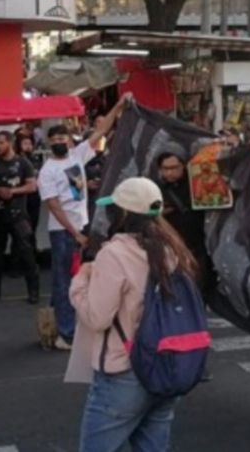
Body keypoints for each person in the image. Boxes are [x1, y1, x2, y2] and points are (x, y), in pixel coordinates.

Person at [69, 177, 197, 451]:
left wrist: (80, 283)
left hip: (125, 370)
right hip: (165, 364)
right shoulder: (172, 249)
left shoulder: (115, 254)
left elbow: (97, 317)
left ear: (124, 213)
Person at [38, 94, 129, 351]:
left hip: (82, 225)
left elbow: (101, 130)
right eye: (54, 140)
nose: (59, 142)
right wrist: (74, 232)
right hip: (64, 232)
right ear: (48, 143)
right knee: (64, 281)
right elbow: (53, 206)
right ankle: (65, 333)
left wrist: (119, 105)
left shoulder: (77, 155)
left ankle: (68, 324)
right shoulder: (47, 171)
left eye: (62, 138)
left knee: (81, 277)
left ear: (69, 140)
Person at [0, 131, 39, 304]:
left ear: (10, 143)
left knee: (27, 253)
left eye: (1, 142)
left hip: (18, 215)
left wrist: (12, 192)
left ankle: (34, 292)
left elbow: (32, 186)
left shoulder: (23, 163)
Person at [155, 152, 208, 281]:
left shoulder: (197, 183)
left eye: (174, 168)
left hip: (199, 244)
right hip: (173, 247)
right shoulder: (157, 189)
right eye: (165, 169)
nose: (169, 173)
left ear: (183, 166)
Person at [17, 134, 44, 237]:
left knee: (33, 222)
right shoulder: (17, 161)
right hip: (22, 197)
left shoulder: (36, 160)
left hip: (34, 196)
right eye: (25, 144)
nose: (28, 146)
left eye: (30, 144)